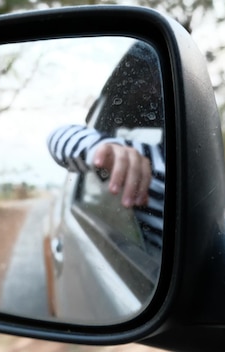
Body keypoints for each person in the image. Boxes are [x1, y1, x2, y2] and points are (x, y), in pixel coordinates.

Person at [47, 40, 165, 251]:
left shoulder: (192, 161)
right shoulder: (146, 158)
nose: (156, 90)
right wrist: (102, 151)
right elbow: (57, 137)